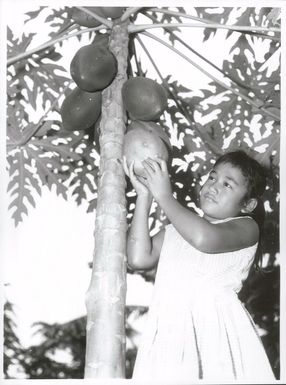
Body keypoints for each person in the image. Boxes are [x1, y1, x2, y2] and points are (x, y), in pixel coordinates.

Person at [124, 150, 275, 382]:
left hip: (214, 334)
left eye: (227, 185)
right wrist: (145, 196)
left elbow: (204, 238)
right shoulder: (176, 230)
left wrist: (165, 196)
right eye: (212, 177)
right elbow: (139, 259)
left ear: (248, 204)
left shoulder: (246, 227)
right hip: (171, 332)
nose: (213, 186)